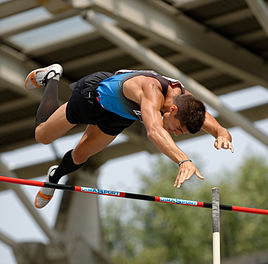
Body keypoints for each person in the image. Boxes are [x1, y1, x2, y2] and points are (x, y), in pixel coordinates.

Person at [25, 64, 234, 208]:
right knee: (42, 135)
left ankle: (54, 177)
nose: (176, 133)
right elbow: (154, 130)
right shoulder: (151, 91)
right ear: (172, 111)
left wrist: (222, 133)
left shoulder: (186, 103)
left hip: (118, 116)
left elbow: (211, 122)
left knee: (80, 156)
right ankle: (52, 77)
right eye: (178, 128)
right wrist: (183, 161)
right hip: (93, 97)